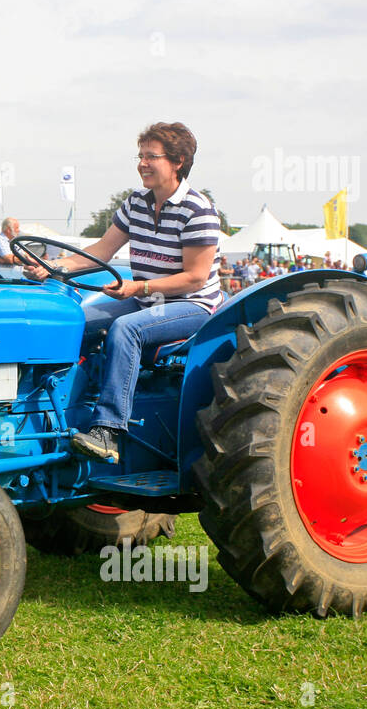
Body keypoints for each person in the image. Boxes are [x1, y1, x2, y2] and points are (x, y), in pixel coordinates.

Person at [24, 122, 220, 463]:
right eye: (140, 155)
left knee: (127, 329)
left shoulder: (197, 210)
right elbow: (101, 250)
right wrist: (52, 268)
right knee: (76, 319)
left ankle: (108, 430)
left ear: (178, 161)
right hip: (145, 298)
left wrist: (138, 286)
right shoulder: (136, 203)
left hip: (192, 305)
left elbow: (195, 278)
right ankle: (59, 409)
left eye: (152, 156)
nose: (142, 163)